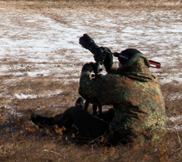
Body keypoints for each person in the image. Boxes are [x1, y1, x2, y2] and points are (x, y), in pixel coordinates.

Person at [31, 44, 166, 145]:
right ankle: (92, 120)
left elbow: (87, 91)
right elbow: (125, 80)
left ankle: (53, 125)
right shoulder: (151, 81)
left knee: (74, 112)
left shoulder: (120, 83)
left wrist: (86, 72)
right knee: (115, 113)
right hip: (154, 138)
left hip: (128, 139)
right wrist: (109, 67)